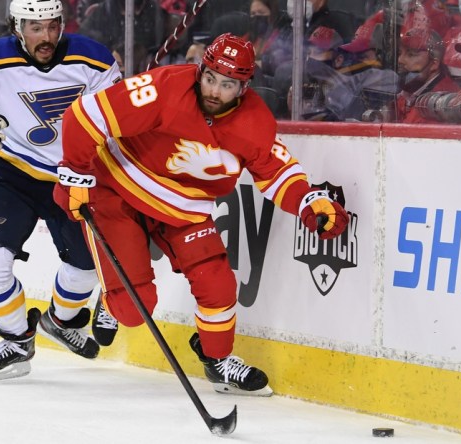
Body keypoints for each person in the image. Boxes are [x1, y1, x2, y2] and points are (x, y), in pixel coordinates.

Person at [53, 33, 349, 396]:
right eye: (209, 77)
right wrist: (76, 174)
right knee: (132, 310)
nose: (214, 90)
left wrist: (309, 201)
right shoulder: (164, 88)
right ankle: (111, 296)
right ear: (200, 70)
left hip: (183, 210)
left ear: (244, 87)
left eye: (227, 85)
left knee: (217, 283)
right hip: (116, 190)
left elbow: (277, 173)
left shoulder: (254, 121)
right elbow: (84, 117)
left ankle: (217, 361)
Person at [0, 0, 122, 382]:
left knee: (85, 269)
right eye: (35, 27)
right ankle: (16, 342)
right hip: (13, 174)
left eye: (51, 26)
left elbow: (119, 123)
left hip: (77, 177)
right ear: (16, 27)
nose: (45, 37)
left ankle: (59, 321)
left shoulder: (94, 59)